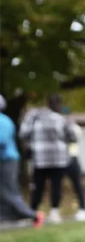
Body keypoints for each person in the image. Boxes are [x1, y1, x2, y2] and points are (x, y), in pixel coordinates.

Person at [20, 93, 75, 224]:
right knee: (56, 186)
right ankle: (54, 212)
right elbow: (73, 136)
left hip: (40, 158)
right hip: (59, 159)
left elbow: (23, 133)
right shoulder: (62, 119)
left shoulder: (34, 116)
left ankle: (32, 214)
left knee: (37, 186)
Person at [0, 94, 43, 225]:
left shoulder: (3, 121)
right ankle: (8, 217)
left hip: (7, 161)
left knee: (9, 190)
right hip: (4, 160)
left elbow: (1, 140)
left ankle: (34, 215)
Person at [64, 115, 85, 221]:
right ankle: (54, 210)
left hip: (72, 158)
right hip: (58, 160)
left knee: (78, 185)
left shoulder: (73, 127)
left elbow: (74, 139)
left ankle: (82, 209)